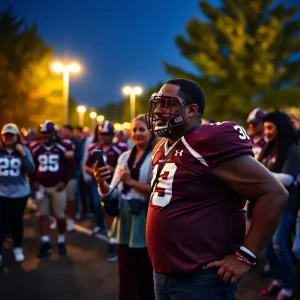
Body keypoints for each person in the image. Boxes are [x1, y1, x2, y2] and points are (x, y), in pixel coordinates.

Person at [144, 78, 288, 300]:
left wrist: (244, 257)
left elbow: (274, 193)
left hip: (201, 276)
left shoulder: (209, 140)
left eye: (168, 103)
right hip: (163, 272)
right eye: (159, 103)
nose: (160, 110)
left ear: (191, 110)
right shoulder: (160, 147)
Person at [94, 114, 155, 300]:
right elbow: (113, 191)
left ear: (152, 132)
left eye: (142, 129)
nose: (137, 133)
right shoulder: (124, 156)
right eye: (134, 129)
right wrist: (101, 182)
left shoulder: (157, 156)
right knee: (126, 274)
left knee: (147, 275)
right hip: (125, 219)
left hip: (146, 219)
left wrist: (131, 182)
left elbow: (158, 191)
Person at [257, 111, 300, 300]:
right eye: (265, 127)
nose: (266, 132)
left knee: (279, 246)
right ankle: (278, 281)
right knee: (268, 247)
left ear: (279, 127)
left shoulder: (292, 149)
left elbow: (288, 179)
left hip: (287, 205)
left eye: (269, 127)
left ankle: (289, 288)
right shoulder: (269, 148)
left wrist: (260, 175)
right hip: (268, 205)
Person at [29, 121, 76, 258]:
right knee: (42, 215)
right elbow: (31, 167)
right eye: (43, 133)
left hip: (57, 187)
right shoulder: (35, 147)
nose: (45, 136)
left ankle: (61, 239)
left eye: (48, 133)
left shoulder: (64, 146)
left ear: (54, 133)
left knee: (60, 216)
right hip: (41, 187)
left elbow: (72, 166)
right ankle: (45, 242)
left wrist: (64, 181)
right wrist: (34, 181)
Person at [84, 121, 128, 238]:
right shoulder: (93, 148)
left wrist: (113, 170)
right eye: (101, 134)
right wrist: (95, 173)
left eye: (107, 134)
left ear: (112, 135)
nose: (104, 137)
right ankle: (99, 225)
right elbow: (86, 166)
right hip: (98, 182)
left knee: (112, 205)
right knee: (97, 205)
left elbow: (127, 167)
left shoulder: (121, 148)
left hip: (114, 181)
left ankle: (113, 231)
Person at [0, 123, 35, 266]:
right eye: (6, 135)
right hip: (2, 192)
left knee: (17, 221)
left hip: (20, 193)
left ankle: (17, 247)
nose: (8, 138)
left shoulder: (23, 150)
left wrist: (23, 154)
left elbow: (31, 169)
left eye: (11, 135)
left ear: (16, 136)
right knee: (1, 222)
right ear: (2, 137)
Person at [60, 124, 83, 230]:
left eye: (64, 130)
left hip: (73, 172)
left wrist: (71, 154)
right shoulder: (59, 142)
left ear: (69, 131)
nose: (63, 132)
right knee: (60, 199)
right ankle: (60, 218)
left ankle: (71, 218)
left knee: (71, 197)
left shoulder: (76, 142)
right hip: (61, 174)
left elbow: (80, 155)